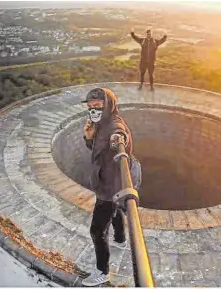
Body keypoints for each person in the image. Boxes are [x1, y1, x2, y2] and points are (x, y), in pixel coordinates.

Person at [81, 87, 133, 286]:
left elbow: (120, 136)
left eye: (98, 106)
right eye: (90, 107)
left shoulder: (113, 124)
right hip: (106, 182)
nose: (93, 110)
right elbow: (96, 150)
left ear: (108, 106)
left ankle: (102, 272)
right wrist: (89, 136)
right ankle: (120, 240)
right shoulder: (99, 124)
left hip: (109, 186)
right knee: (115, 210)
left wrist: (118, 139)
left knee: (97, 230)